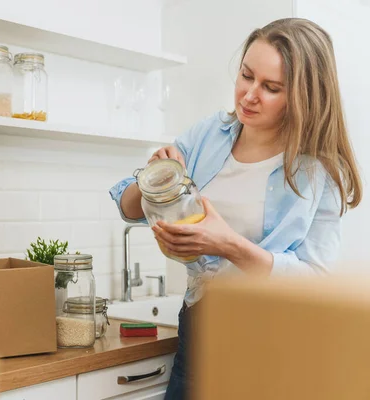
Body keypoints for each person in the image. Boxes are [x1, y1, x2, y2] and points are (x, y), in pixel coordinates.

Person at [109, 18, 362, 400]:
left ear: (302, 96)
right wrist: (155, 176)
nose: (248, 95)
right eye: (246, 76)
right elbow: (130, 205)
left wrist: (229, 244)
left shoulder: (319, 169)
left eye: (270, 88)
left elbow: (315, 279)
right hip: (201, 325)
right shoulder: (212, 132)